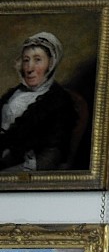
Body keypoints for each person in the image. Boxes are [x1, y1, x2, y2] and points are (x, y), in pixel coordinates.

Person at [0, 32, 81, 173]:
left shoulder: (59, 101)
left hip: (31, 164)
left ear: (51, 63)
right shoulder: (14, 94)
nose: (29, 68)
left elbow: (53, 154)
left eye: (37, 60)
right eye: (26, 60)